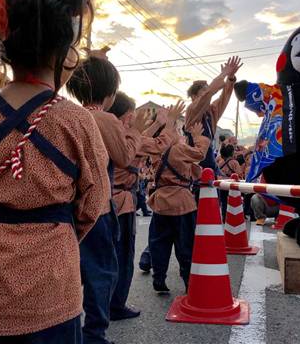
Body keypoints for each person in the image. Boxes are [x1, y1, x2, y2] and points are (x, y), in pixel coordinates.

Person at [0, 0, 107, 344]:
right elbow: (93, 204)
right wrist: (53, 231)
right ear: (62, 49)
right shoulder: (76, 121)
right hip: (51, 292)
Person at [67, 56, 146, 344]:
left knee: (75, 274)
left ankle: (74, 332)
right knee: (102, 273)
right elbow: (124, 156)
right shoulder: (104, 118)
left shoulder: (70, 115)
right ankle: (95, 336)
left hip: (70, 208)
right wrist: (134, 133)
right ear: (110, 93)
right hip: (98, 208)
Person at [108, 93, 182, 321]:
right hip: (121, 203)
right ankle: (116, 305)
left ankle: (102, 305)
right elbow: (160, 145)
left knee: (104, 256)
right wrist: (169, 123)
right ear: (127, 115)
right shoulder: (124, 136)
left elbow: (138, 140)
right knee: (122, 256)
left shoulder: (109, 131)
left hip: (105, 200)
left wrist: (158, 123)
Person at [148, 122, 210, 293]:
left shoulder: (156, 151)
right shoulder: (178, 149)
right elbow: (200, 154)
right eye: (176, 130)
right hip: (182, 202)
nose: (180, 133)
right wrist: (198, 137)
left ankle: (159, 277)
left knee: (159, 243)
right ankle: (189, 281)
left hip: (160, 201)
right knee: (185, 244)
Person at [184, 56, 243, 177]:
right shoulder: (191, 110)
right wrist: (223, 74)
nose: (209, 96)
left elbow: (224, 98)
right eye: (204, 92)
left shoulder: (210, 111)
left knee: (229, 185)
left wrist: (230, 77)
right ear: (194, 97)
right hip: (195, 165)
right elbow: (209, 93)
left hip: (211, 164)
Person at [218, 143, 243, 221]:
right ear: (232, 152)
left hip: (222, 185)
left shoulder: (220, 162)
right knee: (234, 201)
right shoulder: (234, 162)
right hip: (232, 185)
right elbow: (239, 174)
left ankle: (224, 217)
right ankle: (233, 218)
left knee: (224, 202)